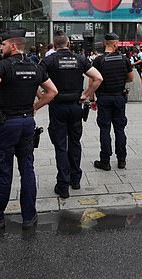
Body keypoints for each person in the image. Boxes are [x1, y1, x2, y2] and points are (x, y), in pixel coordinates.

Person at [0, 29, 58, 230]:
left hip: (7, 124)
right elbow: (52, 91)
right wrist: (35, 107)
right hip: (27, 123)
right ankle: (29, 216)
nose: (0, 48)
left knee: (3, 170)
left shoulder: (3, 66)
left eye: (2, 45)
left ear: (12, 46)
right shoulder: (35, 66)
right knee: (27, 168)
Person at [40, 32, 102, 198]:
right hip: (75, 106)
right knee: (75, 143)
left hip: (57, 106)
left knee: (61, 145)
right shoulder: (80, 59)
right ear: (68, 44)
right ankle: (75, 180)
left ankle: (63, 185)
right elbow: (98, 78)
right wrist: (86, 94)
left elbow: (35, 79)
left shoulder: (49, 60)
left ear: (54, 44)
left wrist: (43, 97)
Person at [91, 32, 134, 170]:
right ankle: (121, 160)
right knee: (120, 129)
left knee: (104, 129)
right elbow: (131, 78)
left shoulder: (98, 60)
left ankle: (105, 161)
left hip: (103, 98)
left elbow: (92, 80)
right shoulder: (124, 59)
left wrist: (91, 98)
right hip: (119, 98)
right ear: (115, 44)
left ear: (105, 44)